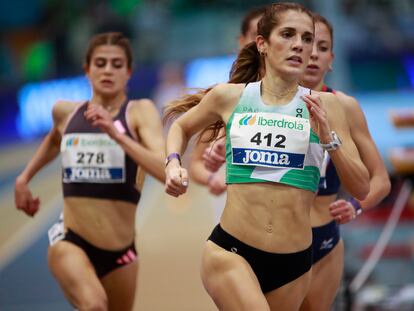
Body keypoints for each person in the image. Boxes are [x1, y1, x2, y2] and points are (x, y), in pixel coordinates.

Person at [164, 3, 370, 310]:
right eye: (287, 35)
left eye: (306, 38)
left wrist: (329, 139)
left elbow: (362, 188)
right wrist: (173, 163)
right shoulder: (231, 96)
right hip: (232, 251)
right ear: (262, 43)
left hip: (295, 263)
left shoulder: (329, 106)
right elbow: (180, 125)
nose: (299, 45)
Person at [14, 32, 165, 311]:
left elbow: (165, 171)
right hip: (70, 240)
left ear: (129, 71)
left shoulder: (139, 113)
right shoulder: (65, 113)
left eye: (117, 64)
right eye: (100, 63)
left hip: (122, 252)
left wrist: (117, 134)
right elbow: (53, 141)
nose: (108, 70)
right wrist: (24, 179)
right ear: (87, 69)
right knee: (94, 305)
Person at [295, 14, 391, 311]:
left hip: (325, 240)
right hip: (275, 239)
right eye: (308, 45)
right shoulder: (263, 102)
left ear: (331, 59)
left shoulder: (346, 106)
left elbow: (381, 180)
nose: (313, 55)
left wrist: (355, 205)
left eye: (322, 48)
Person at [189, 6, 266, 198]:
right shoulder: (225, 96)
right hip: (237, 212)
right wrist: (212, 178)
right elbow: (196, 163)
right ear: (241, 41)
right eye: (256, 35)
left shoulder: (304, 96)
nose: (263, 43)